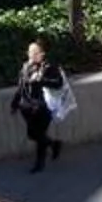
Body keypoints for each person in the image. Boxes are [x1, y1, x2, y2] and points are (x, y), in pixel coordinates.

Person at [13, 40, 68, 171]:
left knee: (39, 133)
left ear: (42, 54)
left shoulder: (48, 67)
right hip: (27, 106)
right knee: (33, 134)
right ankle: (54, 144)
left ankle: (39, 163)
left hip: (43, 107)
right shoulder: (26, 66)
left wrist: (42, 80)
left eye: (35, 52)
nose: (32, 54)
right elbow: (21, 86)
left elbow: (58, 83)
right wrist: (15, 103)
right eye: (30, 52)